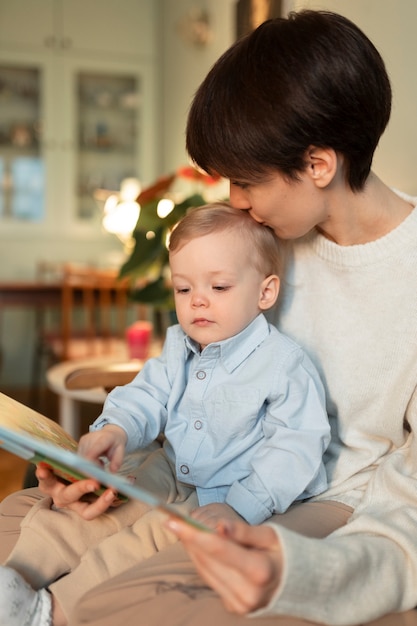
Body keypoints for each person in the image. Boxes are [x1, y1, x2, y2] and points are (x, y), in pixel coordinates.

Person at [1, 7, 417, 626]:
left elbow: (406, 510)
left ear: (318, 165)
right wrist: (95, 451)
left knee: (131, 599)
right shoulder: (260, 237)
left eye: (246, 182)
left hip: (312, 502)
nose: (235, 203)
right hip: (187, 465)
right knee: (23, 523)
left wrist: (293, 561)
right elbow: (183, 373)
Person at [0, 202, 331, 626]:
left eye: (219, 288)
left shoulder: (283, 364)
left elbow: (298, 444)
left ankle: (53, 610)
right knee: (101, 505)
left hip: (226, 493)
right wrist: (116, 429)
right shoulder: (180, 345)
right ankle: (17, 571)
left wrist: (243, 506)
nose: (198, 302)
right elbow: (147, 394)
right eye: (183, 289)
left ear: (265, 292)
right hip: (171, 467)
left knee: (147, 538)